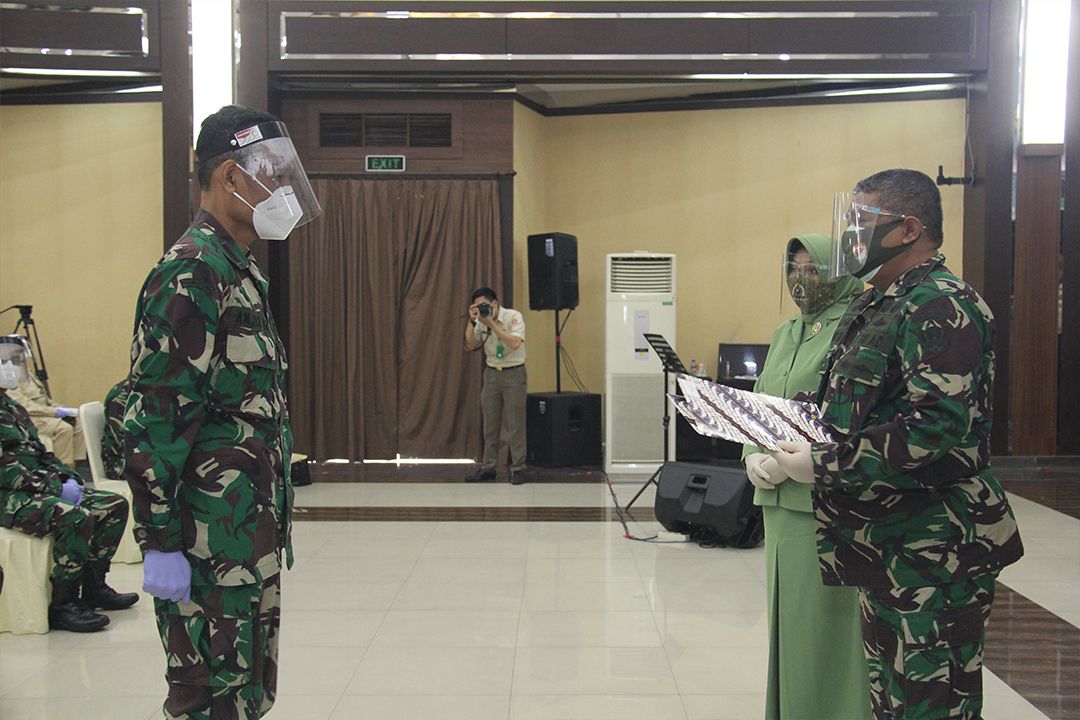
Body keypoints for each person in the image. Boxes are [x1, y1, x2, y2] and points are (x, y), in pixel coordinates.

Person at [771, 169, 1024, 720]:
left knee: (932, 706)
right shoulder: (876, 303)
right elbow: (845, 406)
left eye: (860, 222)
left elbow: (934, 429)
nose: (848, 238)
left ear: (909, 228)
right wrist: (777, 434)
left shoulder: (941, 304)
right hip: (882, 544)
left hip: (935, 552)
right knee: (889, 702)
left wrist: (820, 464)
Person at [124, 105, 321, 719]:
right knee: (208, 704)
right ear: (232, 178)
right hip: (205, 550)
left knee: (247, 699)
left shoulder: (241, 273)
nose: (285, 188)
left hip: (246, 541)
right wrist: (158, 542)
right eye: (274, 172)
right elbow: (156, 420)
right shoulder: (190, 274)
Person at [742, 233, 870, 720]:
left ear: (836, 272)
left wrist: (797, 458)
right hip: (777, 506)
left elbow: (845, 413)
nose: (800, 280)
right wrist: (753, 455)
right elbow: (759, 403)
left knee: (822, 632)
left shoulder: (854, 327)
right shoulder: (786, 332)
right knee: (788, 627)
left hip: (820, 503)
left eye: (812, 270)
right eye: (793, 270)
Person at [0, 335, 138, 633]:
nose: (11, 368)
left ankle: (94, 586)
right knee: (73, 518)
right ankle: (64, 603)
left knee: (112, 505)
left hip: (34, 486)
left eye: (13, 361)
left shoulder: (12, 408)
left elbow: (38, 452)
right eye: (3, 362)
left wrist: (66, 476)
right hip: (7, 496)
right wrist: (52, 487)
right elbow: (6, 472)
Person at [463, 287, 528, 484]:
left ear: (495, 304)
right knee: (490, 424)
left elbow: (515, 343)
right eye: (478, 306)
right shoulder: (480, 320)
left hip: (514, 373)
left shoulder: (513, 316)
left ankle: (518, 467)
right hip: (491, 374)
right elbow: (471, 343)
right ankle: (488, 467)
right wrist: (473, 320)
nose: (482, 309)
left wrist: (491, 323)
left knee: (515, 423)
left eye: (485, 305)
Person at [7, 355, 86, 467]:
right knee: (63, 428)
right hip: (29, 418)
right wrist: (54, 412)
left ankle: (78, 465)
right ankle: (62, 467)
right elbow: (24, 406)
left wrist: (61, 408)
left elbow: (44, 398)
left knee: (78, 423)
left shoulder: (27, 372)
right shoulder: (9, 376)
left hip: (45, 414)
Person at [100, 378, 131, 479]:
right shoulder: (121, 397)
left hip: (149, 458)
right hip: (122, 463)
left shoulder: (153, 390)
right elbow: (126, 443)